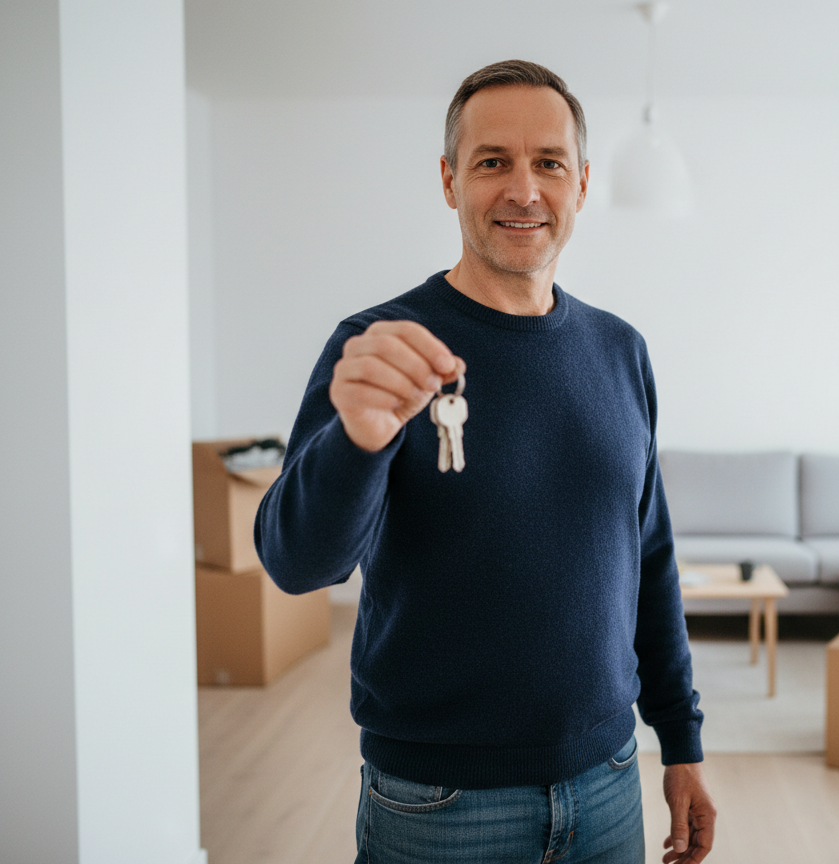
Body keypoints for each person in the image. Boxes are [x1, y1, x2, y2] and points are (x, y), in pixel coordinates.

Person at [255, 59, 715, 864]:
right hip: (439, 802)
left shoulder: (620, 350)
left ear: (580, 183)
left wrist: (680, 740)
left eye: (549, 163)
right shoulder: (378, 348)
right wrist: (359, 440)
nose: (523, 190)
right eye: (492, 161)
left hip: (609, 780)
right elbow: (299, 565)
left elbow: (649, 559)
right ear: (449, 180)